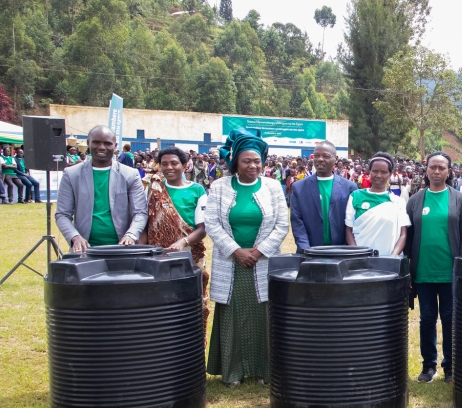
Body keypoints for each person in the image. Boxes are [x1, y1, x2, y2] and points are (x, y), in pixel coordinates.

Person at [205, 129, 289, 387]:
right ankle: (233, 372)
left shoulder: (273, 186)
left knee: (265, 314)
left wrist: (258, 251)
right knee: (232, 316)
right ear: (235, 163)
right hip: (231, 262)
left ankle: (265, 370)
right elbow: (212, 223)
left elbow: (282, 225)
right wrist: (237, 251)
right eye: (246, 161)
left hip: (263, 261)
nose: (253, 166)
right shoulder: (219, 186)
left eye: (257, 161)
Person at [404, 152, 462, 384]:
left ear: (449, 171)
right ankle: (428, 365)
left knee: (450, 318)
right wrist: (408, 269)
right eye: (432, 167)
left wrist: (461, 267)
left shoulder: (459, 199)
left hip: (450, 272)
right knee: (427, 319)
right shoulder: (415, 200)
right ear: (426, 170)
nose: (436, 171)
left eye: (441, 168)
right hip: (423, 272)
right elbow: (408, 237)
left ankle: (451, 367)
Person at [143, 148, 210, 339]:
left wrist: (183, 242)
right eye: (164, 164)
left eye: (174, 163)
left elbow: (202, 228)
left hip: (189, 256)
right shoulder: (153, 189)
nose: (169, 167)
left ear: (184, 165)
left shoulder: (196, 190)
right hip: (157, 257)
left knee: (190, 305)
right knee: (159, 306)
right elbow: (145, 224)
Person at [55, 126, 148, 252]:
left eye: (107, 143)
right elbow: (62, 214)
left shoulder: (130, 174)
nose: (102, 147)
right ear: (88, 143)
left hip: (123, 248)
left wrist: (131, 235)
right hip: (85, 250)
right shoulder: (71, 174)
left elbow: (140, 212)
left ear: (115, 146)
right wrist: (75, 237)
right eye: (96, 142)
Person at [289, 141, 356, 252]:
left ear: (336, 159)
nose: (320, 159)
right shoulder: (299, 188)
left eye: (326, 156)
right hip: (310, 252)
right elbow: (297, 222)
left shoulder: (349, 187)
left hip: (342, 251)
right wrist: (307, 250)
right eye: (316, 156)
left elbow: (352, 223)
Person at [346, 152, 410, 256]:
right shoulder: (356, 196)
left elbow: (403, 234)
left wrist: (392, 257)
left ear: (389, 174)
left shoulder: (398, 202)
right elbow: (348, 230)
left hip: (389, 260)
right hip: (360, 258)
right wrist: (358, 254)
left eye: (384, 172)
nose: (378, 175)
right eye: (375, 171)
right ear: (369, 172)